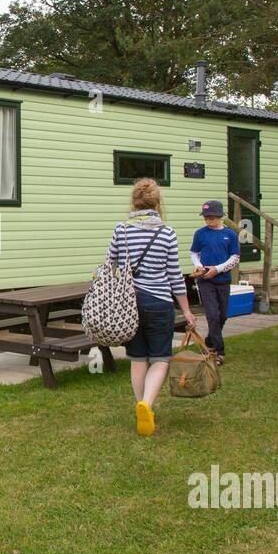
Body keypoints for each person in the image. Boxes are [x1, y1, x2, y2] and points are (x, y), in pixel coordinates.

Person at [105, 179, 197, 437]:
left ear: (133, 202)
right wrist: (187, 310)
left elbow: (109, 264)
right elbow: (175, 276)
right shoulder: (167, 233)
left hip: (129, 304)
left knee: (137, 358)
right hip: (159, 303)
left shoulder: (121, 230)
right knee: (160, 358)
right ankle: (147, 403)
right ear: (157, 203)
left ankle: (140, 406)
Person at [190, 200, 241, 365]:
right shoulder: (200, 234)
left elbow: (235, 257)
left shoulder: (231, 235)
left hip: (223, 280)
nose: (208, 221)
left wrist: (218, 269)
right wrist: (199, 266)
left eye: (211, 218)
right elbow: (194, 253)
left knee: (222, 315)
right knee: (212, 315)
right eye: (206, 218)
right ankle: (219, 352)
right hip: (205, 280)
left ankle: (210, 340)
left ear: (220, 217)